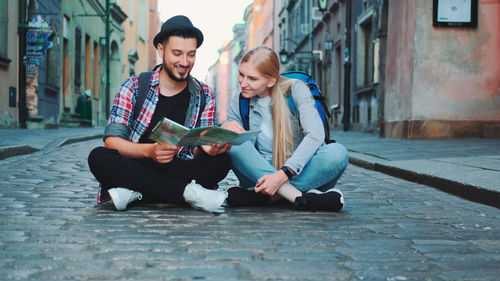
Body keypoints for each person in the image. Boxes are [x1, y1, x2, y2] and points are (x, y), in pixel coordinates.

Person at [88, 15, 232, 213]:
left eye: (191, 54)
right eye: (177, 53)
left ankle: (135, 191)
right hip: (137, 163)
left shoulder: (204, 93)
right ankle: (189, 194)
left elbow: (197, 151)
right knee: (98, 157)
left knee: (222, 161)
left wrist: (209, 148)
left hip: (178, 167)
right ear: (161, 50)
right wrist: (150, 151)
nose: (184, 62)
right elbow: (112, 141)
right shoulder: (134, 86)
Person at [222, 46, 349, 212]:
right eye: (241, 74)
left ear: (271, 80)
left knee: (338, 153)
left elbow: (316, 134)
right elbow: (230, 134)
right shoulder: (240, 101)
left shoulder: (296, 89)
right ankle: (300, 198)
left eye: (252, 78)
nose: (243, 83)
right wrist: (226, 128)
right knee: (234, 143)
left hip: (297, 169)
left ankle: (264, 197)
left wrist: (282, 175)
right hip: (257, 172)